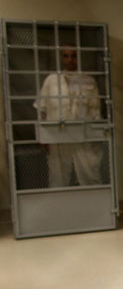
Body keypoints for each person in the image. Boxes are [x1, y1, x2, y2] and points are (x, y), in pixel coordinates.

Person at [34, 47, 104, 187]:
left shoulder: (88, 81)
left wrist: (97, 136)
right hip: (57, 134)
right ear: (61, 57)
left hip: (82, 133)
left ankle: (92, 202)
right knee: (58, 174)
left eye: (73, 56)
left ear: (79, 57)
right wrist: (42, 135)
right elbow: (42, 108)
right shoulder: (51, 80)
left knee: (89, 172)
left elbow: (95, 110)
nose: (70, 59)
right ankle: (60, 205)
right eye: (66, 56)